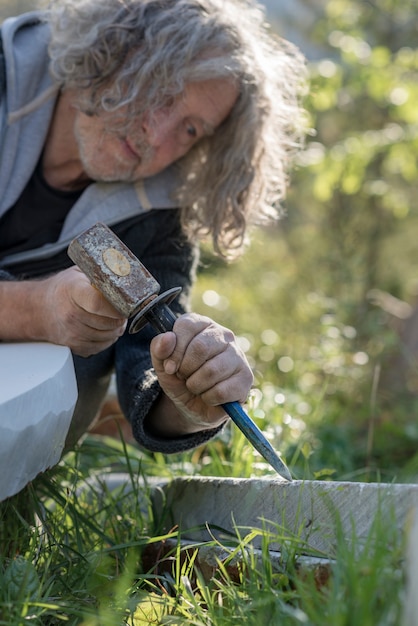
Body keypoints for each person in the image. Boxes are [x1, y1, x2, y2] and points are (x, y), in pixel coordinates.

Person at [0, 0, 307, 453]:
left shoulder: (159, 215)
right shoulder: (9, 77)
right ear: (108, 48)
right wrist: (37, 310)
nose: (157, 135)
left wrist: (194, 399)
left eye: (190, 130)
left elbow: (147, 361)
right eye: (160, 88)